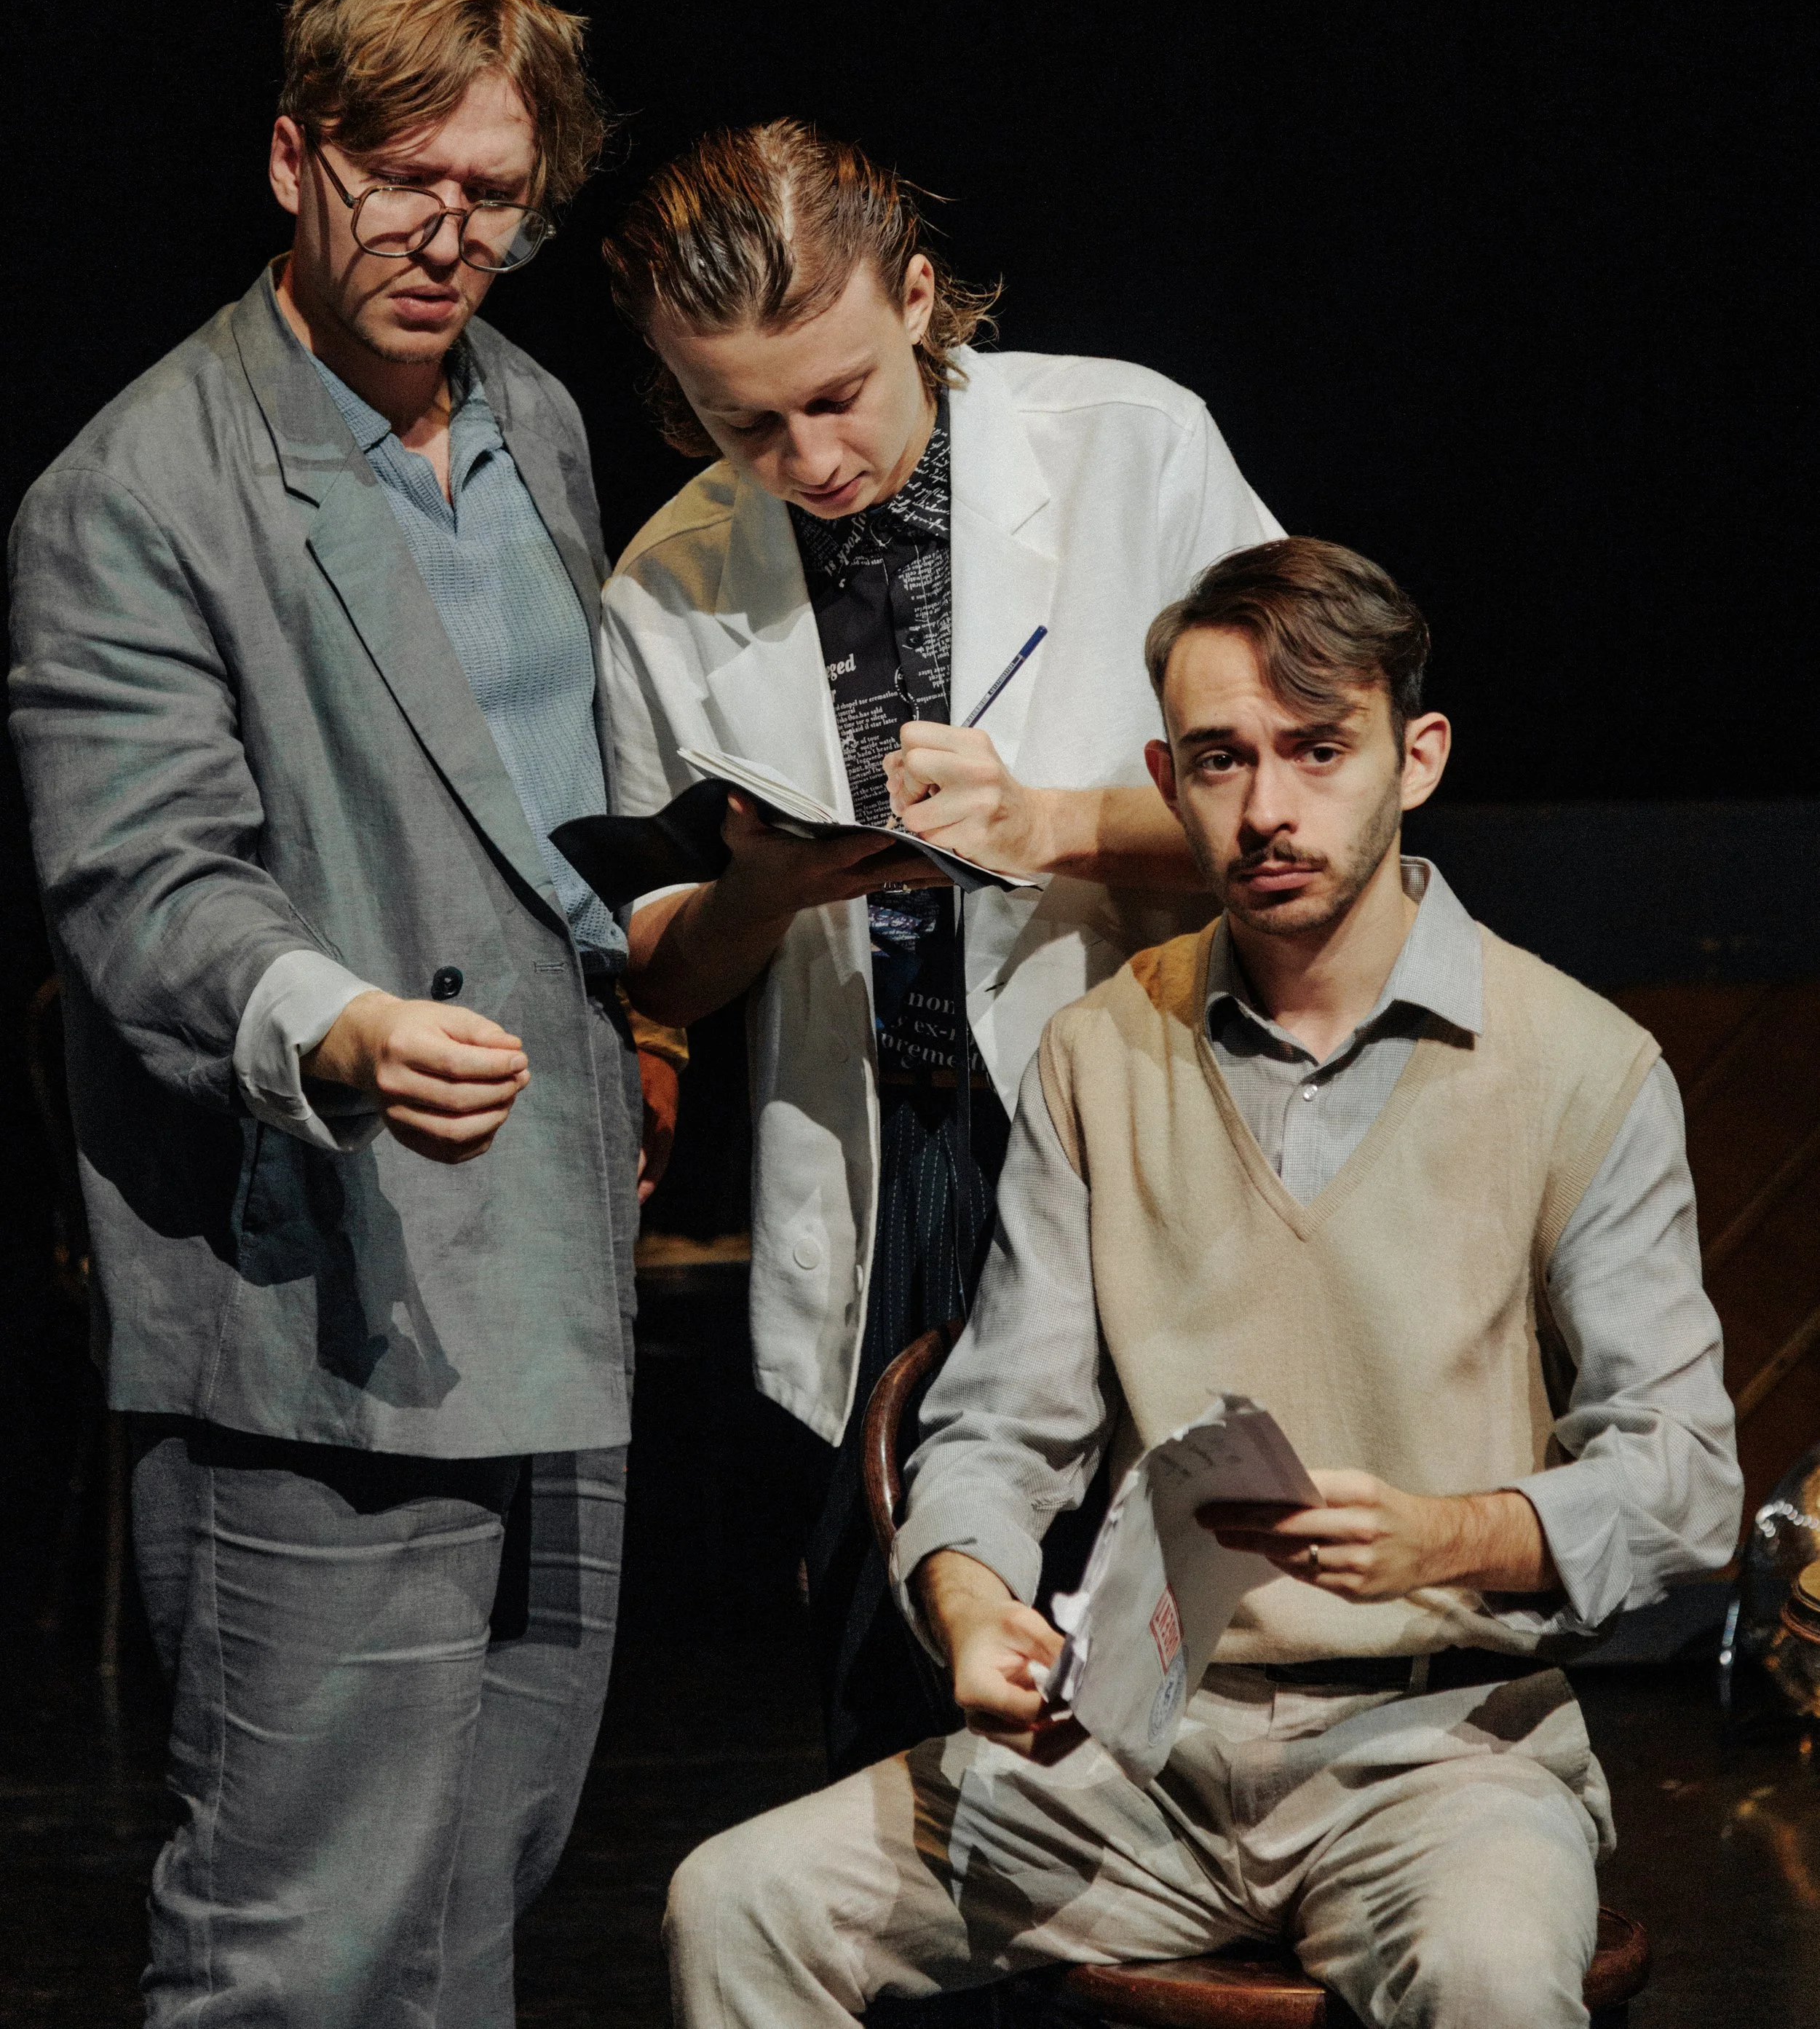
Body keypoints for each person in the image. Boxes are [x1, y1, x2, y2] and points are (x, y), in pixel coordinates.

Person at [663, 537, 1743, 2029]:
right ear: (1168, 779)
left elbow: (1682, 1480)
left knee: (1492, 1973)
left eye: (1317, 751)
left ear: (1413, 757)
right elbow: (999, 1424)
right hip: (1134, 1754)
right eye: (1223, 761)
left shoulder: (1578, 1067)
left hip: (1440, 1752)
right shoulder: (1102, 1053)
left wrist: (1450, 1533)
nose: (1269, 808)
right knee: (739, 1902)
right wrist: (971, 1606)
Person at [8, 0, 674, 2029]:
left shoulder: (541, 421)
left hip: (552, 1253)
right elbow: (144, 887)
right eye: (402, 177)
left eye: (492, 193)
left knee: (481, 1887)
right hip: (328, 1288)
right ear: (293, 157)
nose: (447, 232)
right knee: (303, 1939)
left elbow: (558, 819)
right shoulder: (138, 491)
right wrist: (340, 1019)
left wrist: (657, 995)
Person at [603, 118, 1278, 1769]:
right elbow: (656, 968)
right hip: (894, 1148)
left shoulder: (1131, 443)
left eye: (837, 395)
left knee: (1174, 1653)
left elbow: (1306, 794)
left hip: (1144, 1105)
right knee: (904, 1651)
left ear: (919, 298)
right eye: (739, 421)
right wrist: (762, 889)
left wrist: (1047, 824)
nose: (808, 457)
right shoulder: (664, 588)